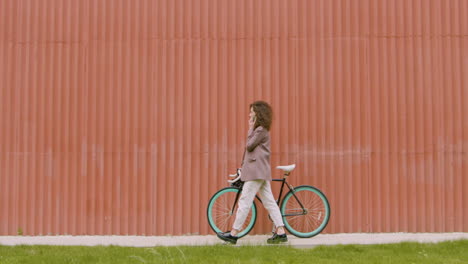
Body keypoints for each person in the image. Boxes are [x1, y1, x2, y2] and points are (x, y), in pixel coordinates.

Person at [217, 101, 287, 244]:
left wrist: (250, 128)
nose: (250, 114)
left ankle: (234, 233)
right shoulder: (262, 129)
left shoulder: (260, 130)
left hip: (256, 173)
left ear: (258, 113)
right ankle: (281, 231)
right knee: (270, 202)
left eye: (252, 112)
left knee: (244, 202)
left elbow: (249, 146)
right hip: (259, 172)